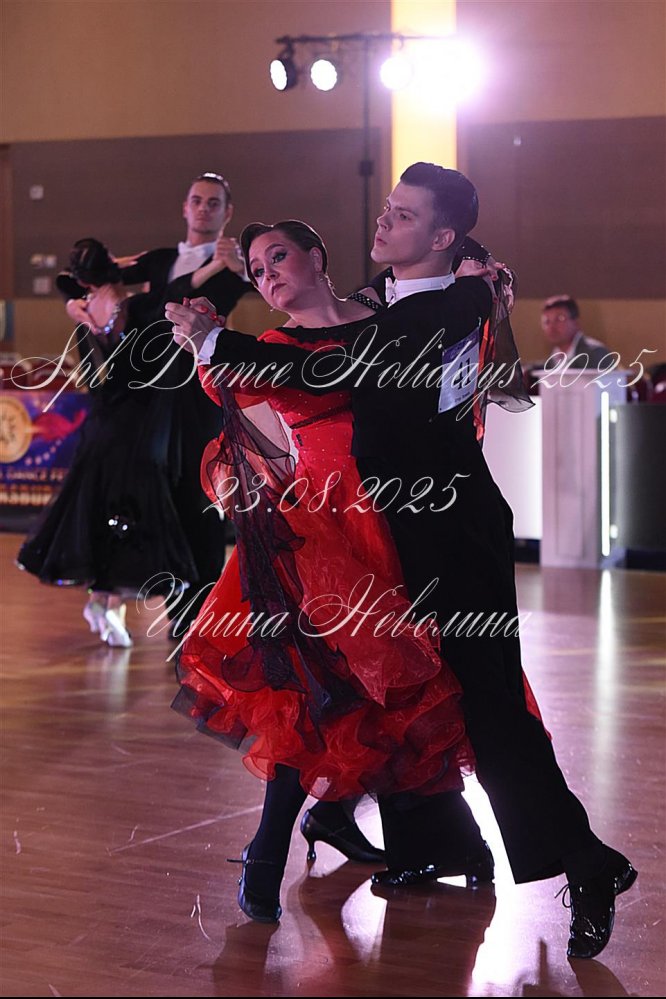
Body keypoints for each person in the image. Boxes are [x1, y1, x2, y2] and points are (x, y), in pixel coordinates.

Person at [167, 163, 636, 960]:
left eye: (405, 216)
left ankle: (587, 862)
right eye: (388, 209)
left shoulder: (439, 308)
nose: (384, 223)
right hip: (396, 532)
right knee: (422, 699)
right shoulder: (424, 298)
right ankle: (438, 839)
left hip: (447, 534)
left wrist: (217, 339)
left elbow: (328, 365)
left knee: (489, 712)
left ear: (442, 236)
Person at [167, 219, 485, 924]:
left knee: (385, 688)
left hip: (399, 521)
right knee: (312, 694)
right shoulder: (271, 348)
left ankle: (334, 816)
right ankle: (267, 850)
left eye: (278, 256)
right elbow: (259, 438)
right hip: (322, 533)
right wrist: (205, 346)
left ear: (317, 256)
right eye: (257, 269)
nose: (268, 275)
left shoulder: (381, 319)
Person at [59, 173, 253, 635]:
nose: (203, 208)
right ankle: (120, 594)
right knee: (139, 499)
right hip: (142, 397)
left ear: (227, 213)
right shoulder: (160, 258)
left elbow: (175, 299)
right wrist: (76, 305)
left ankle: (194, 621)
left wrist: (237, 267)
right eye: (196, 200)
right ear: (184, 207)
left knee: (198, 502)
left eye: (214, 203)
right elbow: (82, 277)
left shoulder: (234, 269)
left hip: (194, 398)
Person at [17, 238, 203, 645]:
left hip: (106, 420)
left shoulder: (84, 306)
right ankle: (105, 601)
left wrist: (76, 303)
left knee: (110, 510)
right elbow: (175, 291)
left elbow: (65, 284)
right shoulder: (139, 306)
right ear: (114, 268)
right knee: (127, 511)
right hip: (134, 422)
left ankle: (104, 600)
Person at [539, 295, 611, 370]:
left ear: (576, 322)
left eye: (559, 319)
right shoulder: (551, 360)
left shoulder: (596, 353)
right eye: (546, 321)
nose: (551, 327)